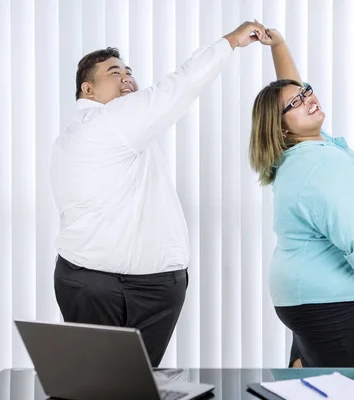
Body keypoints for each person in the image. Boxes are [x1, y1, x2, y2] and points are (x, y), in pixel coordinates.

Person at [49, 20, 268, 368]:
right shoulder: (107, 123)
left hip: (124, 285)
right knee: (115, 388)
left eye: (129, 72)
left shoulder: (82, 137)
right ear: (88, 90)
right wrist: (231, 41)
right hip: (104, 285)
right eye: (114, 72)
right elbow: (179, 86)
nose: (127, 79)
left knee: (106, 385)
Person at [250, 27, 354, 368]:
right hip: (333, 304)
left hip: (305, 299)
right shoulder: (321, 163)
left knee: (309, 389)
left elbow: (288, 94)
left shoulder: (299, 152)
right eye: (297, 103)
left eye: (307, 93)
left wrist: (279, 46)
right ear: (282, 127)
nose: (307, 99)